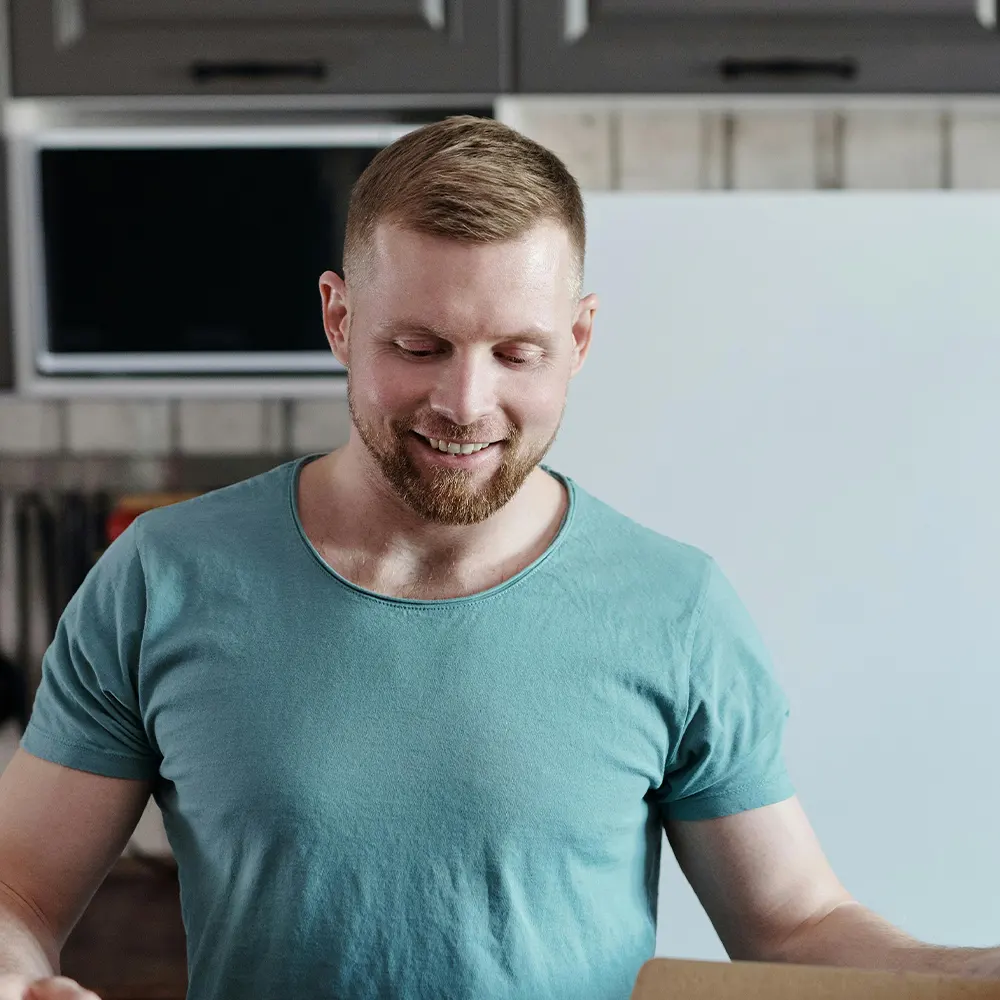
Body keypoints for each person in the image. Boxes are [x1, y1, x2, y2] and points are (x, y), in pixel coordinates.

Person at [0, 116, 996, 1000]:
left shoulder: (673, 606)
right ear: (339, 318)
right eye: (420, 346)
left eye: (516, 353)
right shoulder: (160, 578)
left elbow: (792, 926)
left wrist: (972, 972)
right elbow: (19, 886)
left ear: (579, 336)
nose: (466, 404)